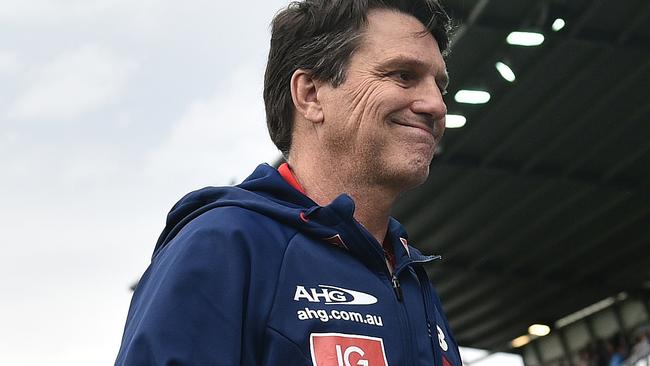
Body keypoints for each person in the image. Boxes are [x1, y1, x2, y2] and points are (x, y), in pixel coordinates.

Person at [115, 0, 460, 365]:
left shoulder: (411, 276)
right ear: (310, 94)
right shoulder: (226, 242)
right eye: (404, 75)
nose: (436, 105)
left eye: (440, 87)